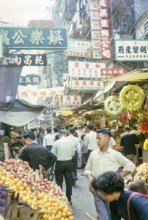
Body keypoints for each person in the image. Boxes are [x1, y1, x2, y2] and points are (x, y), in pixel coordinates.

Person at [84, 128, 135, 220]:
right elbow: (88, 169)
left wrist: (117, 177)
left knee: (112, 216)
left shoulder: (115, 154)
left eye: (99, 138)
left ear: (107, 139)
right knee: (103, 216)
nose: (97, 141)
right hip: (97, 191)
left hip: (110, 190)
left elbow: (131, 166)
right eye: (96, 138)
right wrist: (90, 179)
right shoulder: (93, 154)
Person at [51, 129, 75, 204]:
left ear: (59, 134)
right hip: (69, 163)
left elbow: (53, 154)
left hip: (59, 163)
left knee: (59, 182)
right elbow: (73, 153)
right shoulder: (71, 142)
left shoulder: (56, 143)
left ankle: (60, 198)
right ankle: (69, 199)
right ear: (65, 134)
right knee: (69, 182)